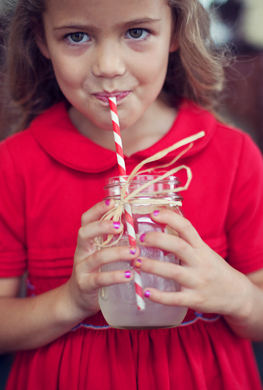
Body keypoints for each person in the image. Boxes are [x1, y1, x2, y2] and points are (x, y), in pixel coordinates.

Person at [0, 0, 263, 389]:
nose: (108, 66)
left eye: (137, 32)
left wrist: (235, 295)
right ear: (40, 39)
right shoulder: (15, 163)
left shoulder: (233, 156)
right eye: (76, 36)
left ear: (175, 31)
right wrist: (69, 301)